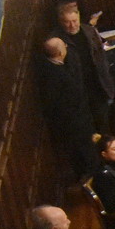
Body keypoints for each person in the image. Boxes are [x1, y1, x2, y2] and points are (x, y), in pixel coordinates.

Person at [39, 38, 99, 173]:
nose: (67, 47)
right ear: (60, 52)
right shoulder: (55, 74)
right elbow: (64, 103)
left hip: (77, 122)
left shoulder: (51, 67)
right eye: (64, 46)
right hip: (75, 125)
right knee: (87, 158)